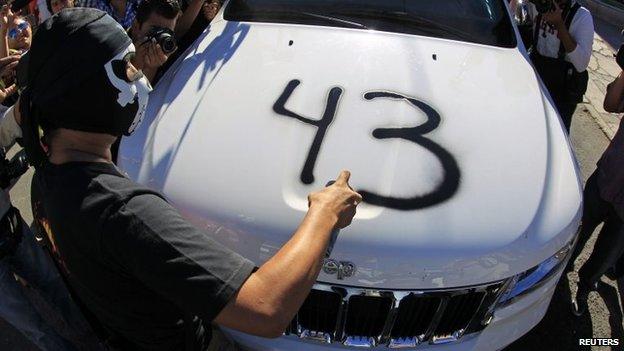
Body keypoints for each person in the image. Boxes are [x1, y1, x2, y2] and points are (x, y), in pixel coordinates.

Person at [22, 8, 361, 350]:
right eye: (126, 66)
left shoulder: (47, 177)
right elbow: (266, 308)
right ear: (90, 91)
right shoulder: (124, 213)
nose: (137, 74)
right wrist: (325, 215)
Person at [570, 68, 624, 316]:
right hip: (608, 177)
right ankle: (558, 274)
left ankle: (585, 285)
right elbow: (610, 104)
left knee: (605, 254)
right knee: (577, 231)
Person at [528, 0, 594, 132]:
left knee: (557, 132)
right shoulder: (537, 5)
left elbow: (581, 64)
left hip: (561, 90)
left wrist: (559, 25)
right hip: (535, 80)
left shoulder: (582, 17)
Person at [129, 0, 179, 83]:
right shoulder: (117, 51)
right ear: (136, 26)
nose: (162, 36)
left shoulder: (171, 54)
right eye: (155, 30)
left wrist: (152, 67)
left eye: (167, 32)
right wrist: (135, 65)